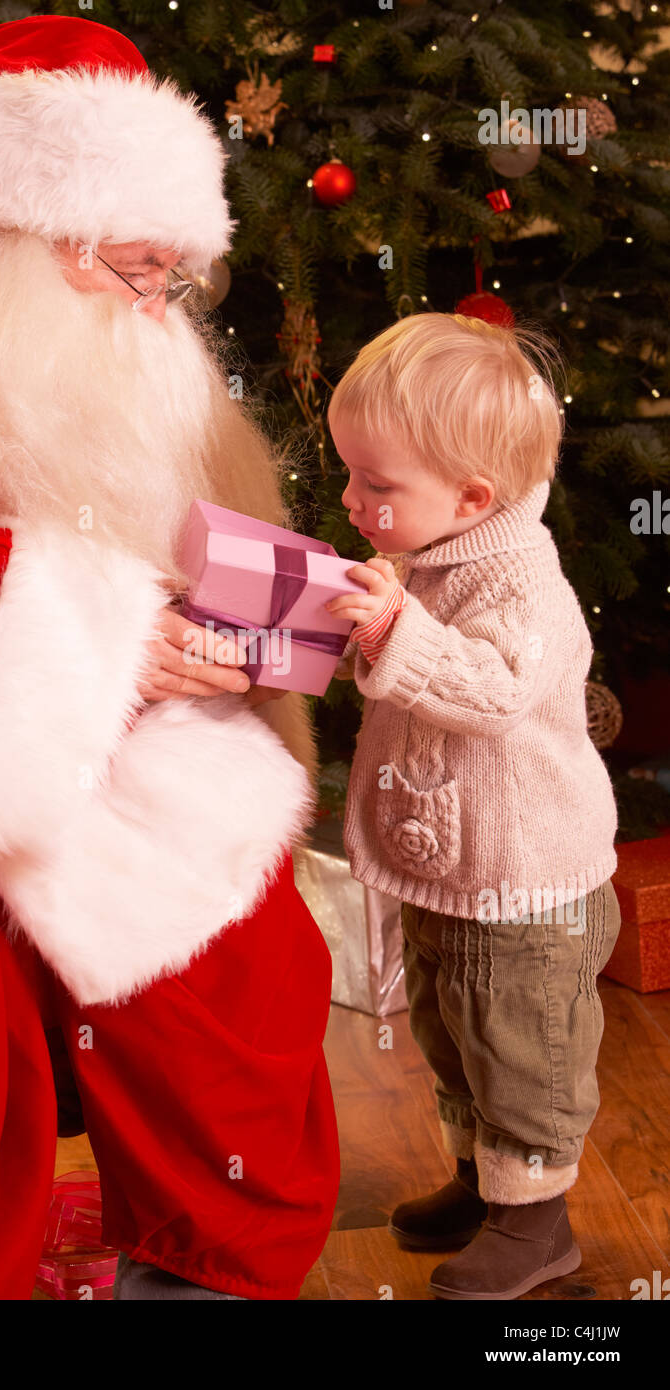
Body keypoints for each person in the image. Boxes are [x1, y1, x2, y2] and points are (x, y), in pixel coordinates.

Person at [0, 15, 339, 1300]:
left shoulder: (100, 328)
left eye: (174, 278)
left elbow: (150, 538)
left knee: (234, 921)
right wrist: (102, 636)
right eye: (135, 270)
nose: (158, 310)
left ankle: (201, 1269)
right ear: (26, 228)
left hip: (50, 693)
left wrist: (191, 632)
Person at [325, 312, 621, 1300]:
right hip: (454, 869)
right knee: (451, 1032)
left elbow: (487, 692)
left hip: (523, 885)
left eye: (375, 485)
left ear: (470, 494)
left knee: (518, 1048)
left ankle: (535, 1225)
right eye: (351, 474)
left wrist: (393, 628)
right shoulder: (434, 548)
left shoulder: (520, 586)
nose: (351, 498)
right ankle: (481, 1182)